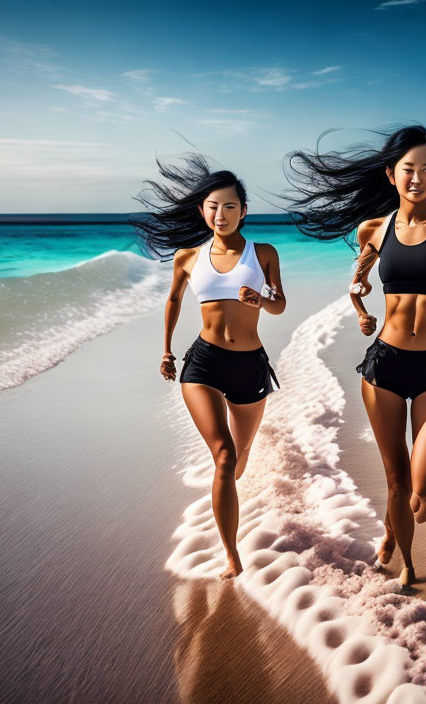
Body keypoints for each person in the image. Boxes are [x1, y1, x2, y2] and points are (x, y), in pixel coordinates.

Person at [284, 125, 426, 586]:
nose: (418, 178)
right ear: (391, 174)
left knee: (421, 487)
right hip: (384, 365)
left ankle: (401, 521)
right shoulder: (373, 229)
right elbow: (357, 285)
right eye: (409, 170)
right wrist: (360, 312)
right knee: (396, 480)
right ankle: (406, 563)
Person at [133, 155, 286, 580]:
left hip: (251, 366)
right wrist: (166, 351)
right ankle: (232, 556)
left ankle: (233, 481)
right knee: (223, 457)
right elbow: (174, 301)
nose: (221, 214)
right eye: (213, 206)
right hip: (203, 363)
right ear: (202, 210)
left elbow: (280, 303)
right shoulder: (187, 257)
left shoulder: (264, 253)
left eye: (230, 206)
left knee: (239, 460)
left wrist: (260, 300)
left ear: (243, 210)